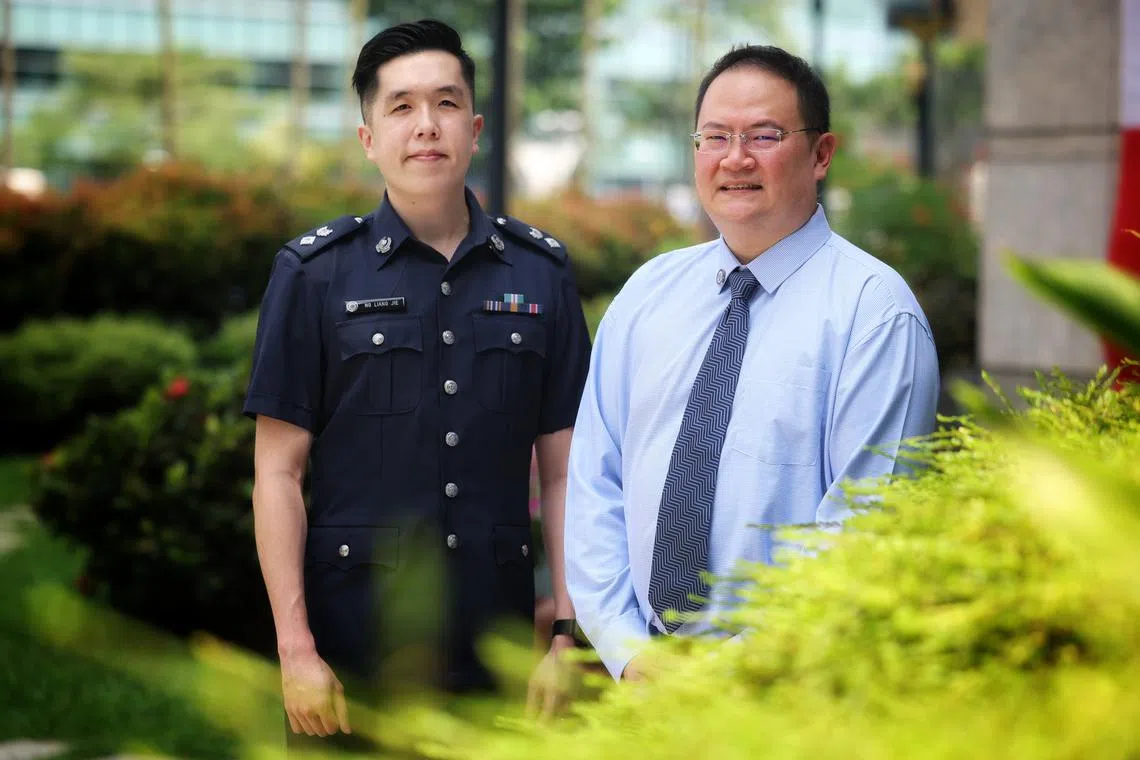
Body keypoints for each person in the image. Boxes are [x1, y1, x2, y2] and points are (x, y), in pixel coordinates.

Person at [244, 19, 590, 748]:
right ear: (369, 137)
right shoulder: (312, 275)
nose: (425, 126)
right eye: (400, 107)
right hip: (347, 662)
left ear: (475, 127)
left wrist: (567, 631)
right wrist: (295, 649)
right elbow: (277, 473)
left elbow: (565, 476)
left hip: (497, 660)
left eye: (445, 103)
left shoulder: (542, 274)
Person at [564, 45, 941, 683]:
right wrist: (629, 653)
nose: (735, 158)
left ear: (821, 154)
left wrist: (724, 674)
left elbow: (864, 531)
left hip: (794, 689)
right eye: (715, 137)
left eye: (764, 136)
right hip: (643, 682)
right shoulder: (648, 295)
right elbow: (596, 483)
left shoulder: (874, 314)